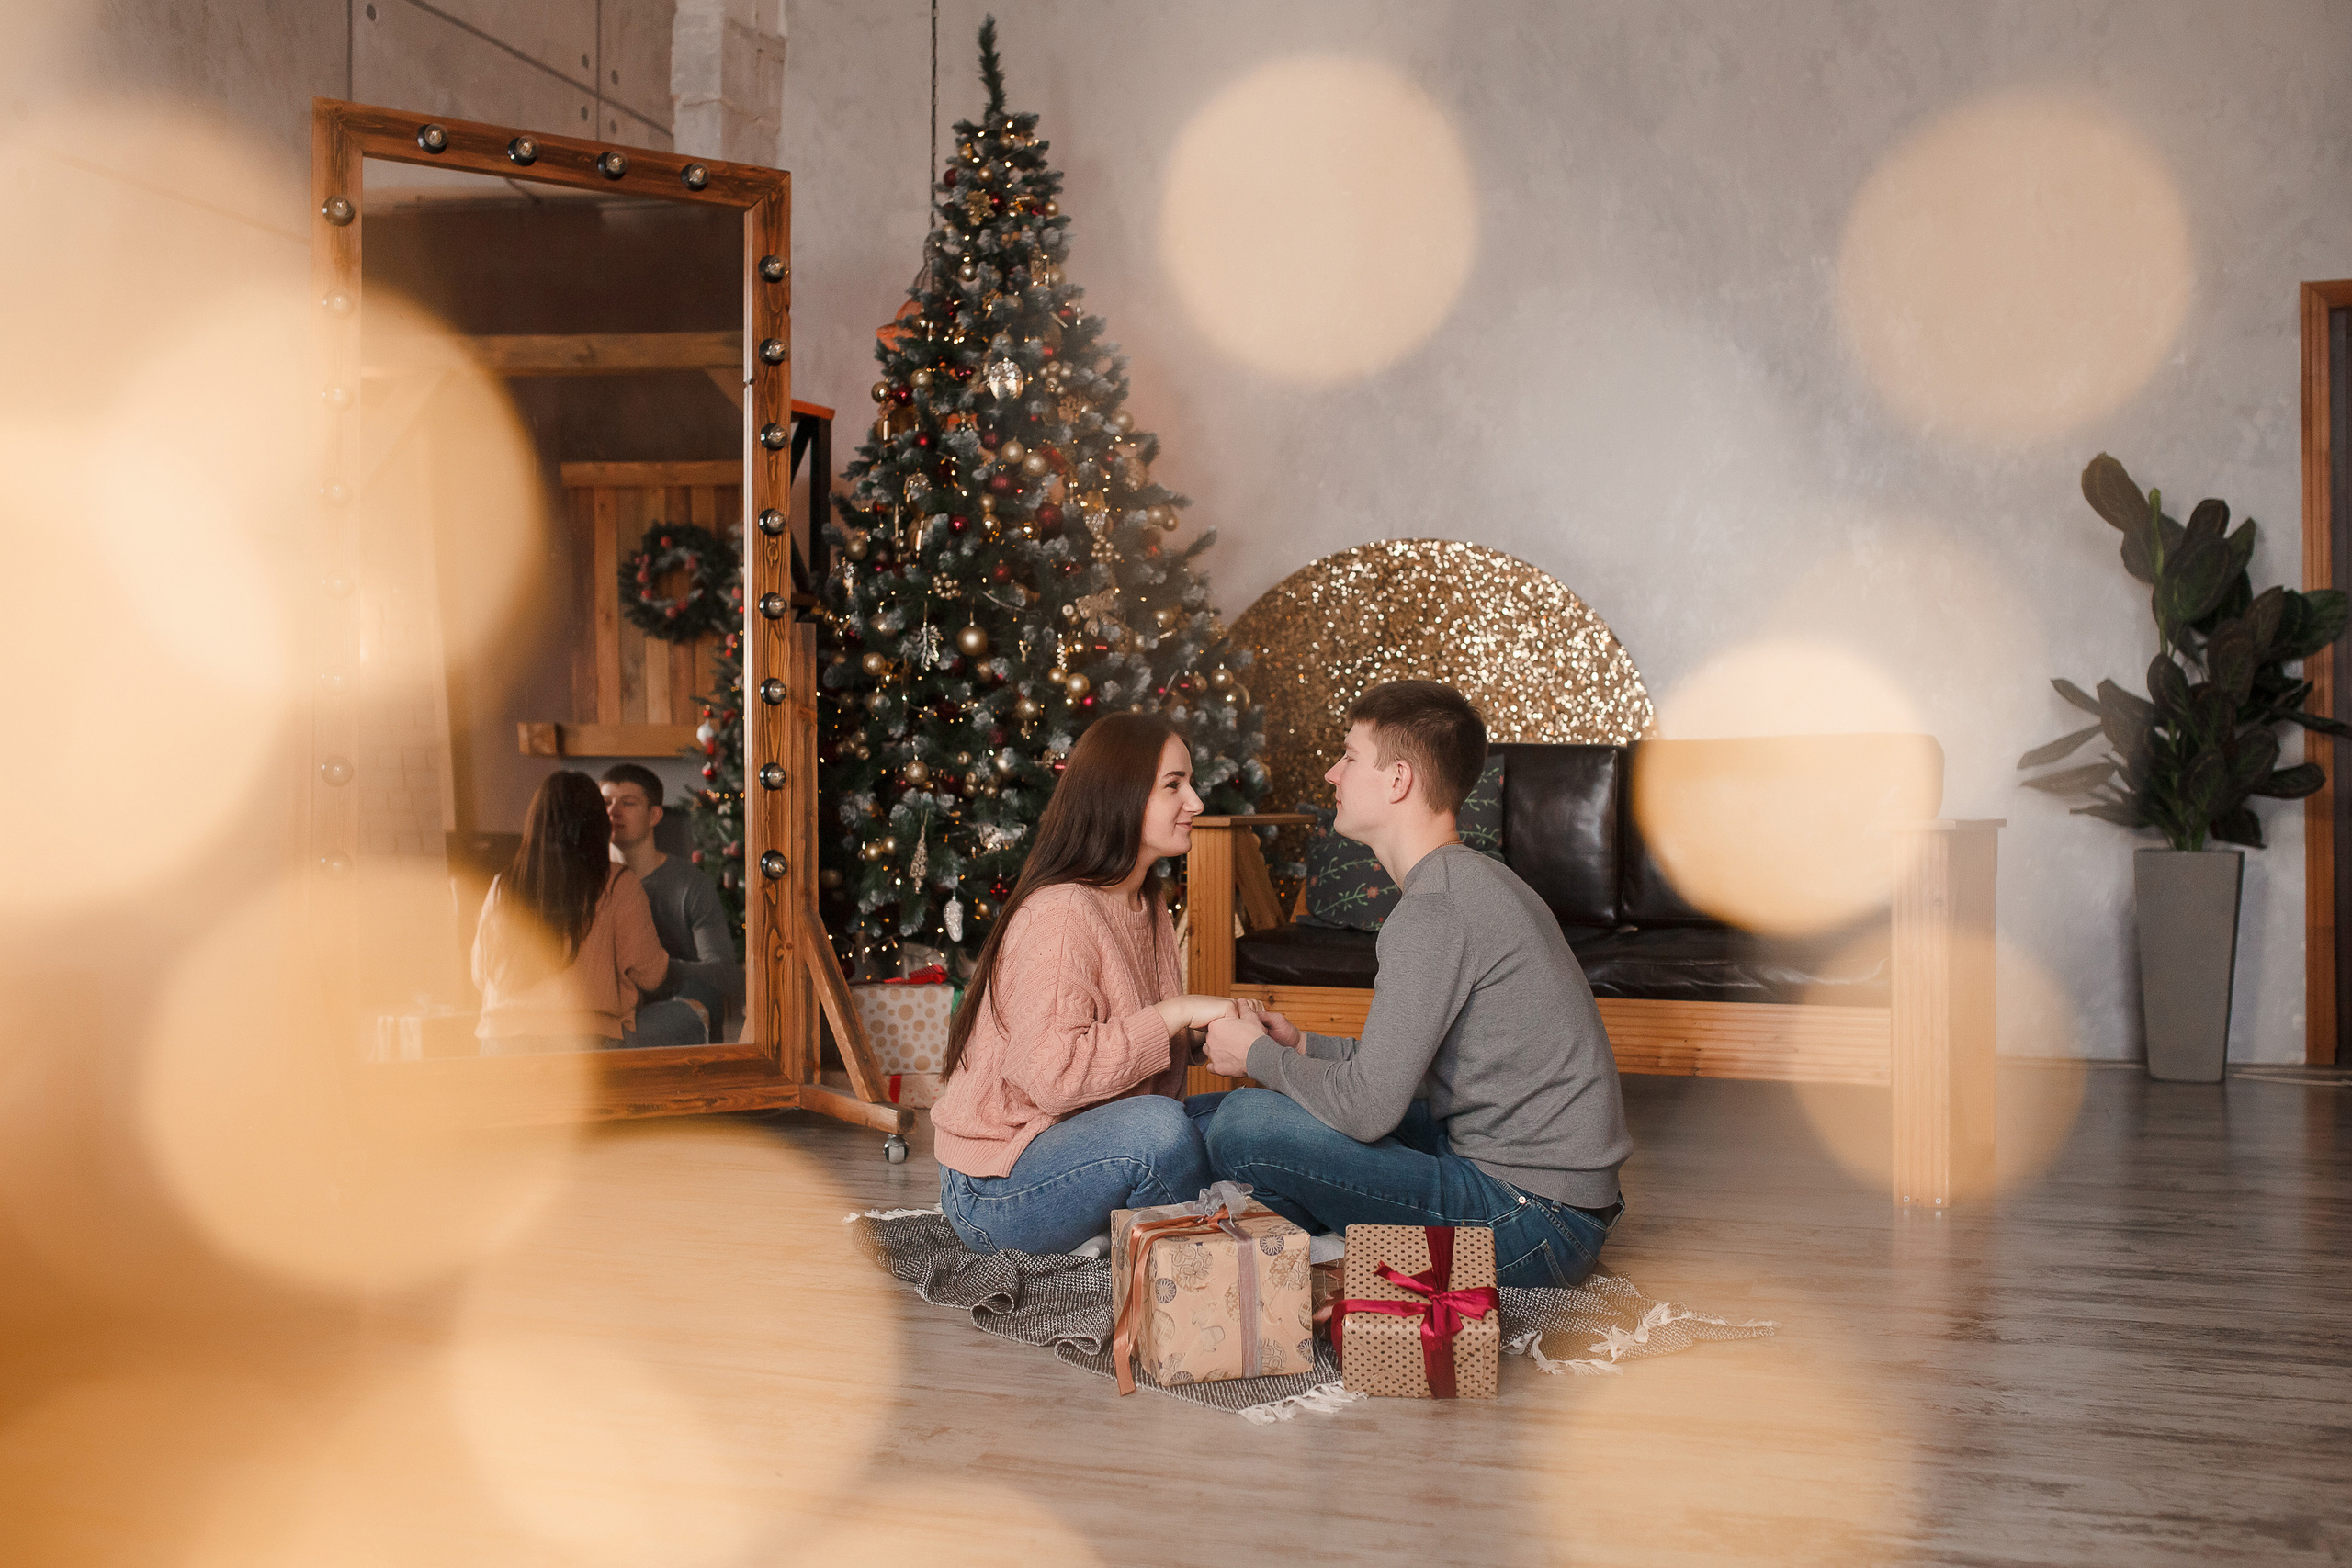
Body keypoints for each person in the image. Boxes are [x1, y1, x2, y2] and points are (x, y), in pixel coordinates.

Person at [1198, 681, 1633, 1290]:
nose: (1331, 773)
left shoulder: (1434, 909)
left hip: (1536, 1222)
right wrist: (1300, 1047)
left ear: (1398, 779)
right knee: (1244, 1107)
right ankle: (1271, 1235)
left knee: (1247, 1121)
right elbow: (1414, 1069)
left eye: (1348, 756)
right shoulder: (1468, 882)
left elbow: (1369, 1107)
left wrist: (1254, 1055)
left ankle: (1229, 1238)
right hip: (1547, 1194)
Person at [931, 713, 1247, 1256]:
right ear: (1120, 796)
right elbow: (1053, 1076)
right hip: (997, 1188)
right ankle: (1204, 1262)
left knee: (1249, 1119)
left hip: (1086, 1138)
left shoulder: (1145, 902)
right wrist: (1175, 1012)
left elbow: (1124, 1039)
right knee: (1161, 1134)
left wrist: (1211, 1034)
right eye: (1174, 786)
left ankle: (1134, 1231)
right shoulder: (1062, 914)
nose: (1195, 802)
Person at [473, 769, 710, 1054]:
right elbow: (651, 974)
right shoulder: (617, 882)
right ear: (598, 824)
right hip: (585, 1046)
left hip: (498, 1045)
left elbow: (479, 974)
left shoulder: (504, 883)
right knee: (694, 1014)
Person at [600, 762, 743, 1040]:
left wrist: (658, 970)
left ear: (654, 815)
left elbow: (724, 972)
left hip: (673, 1010)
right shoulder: (586, 881)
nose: (612, 811)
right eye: (605, 802)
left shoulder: (690, 884)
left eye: (628, 803)